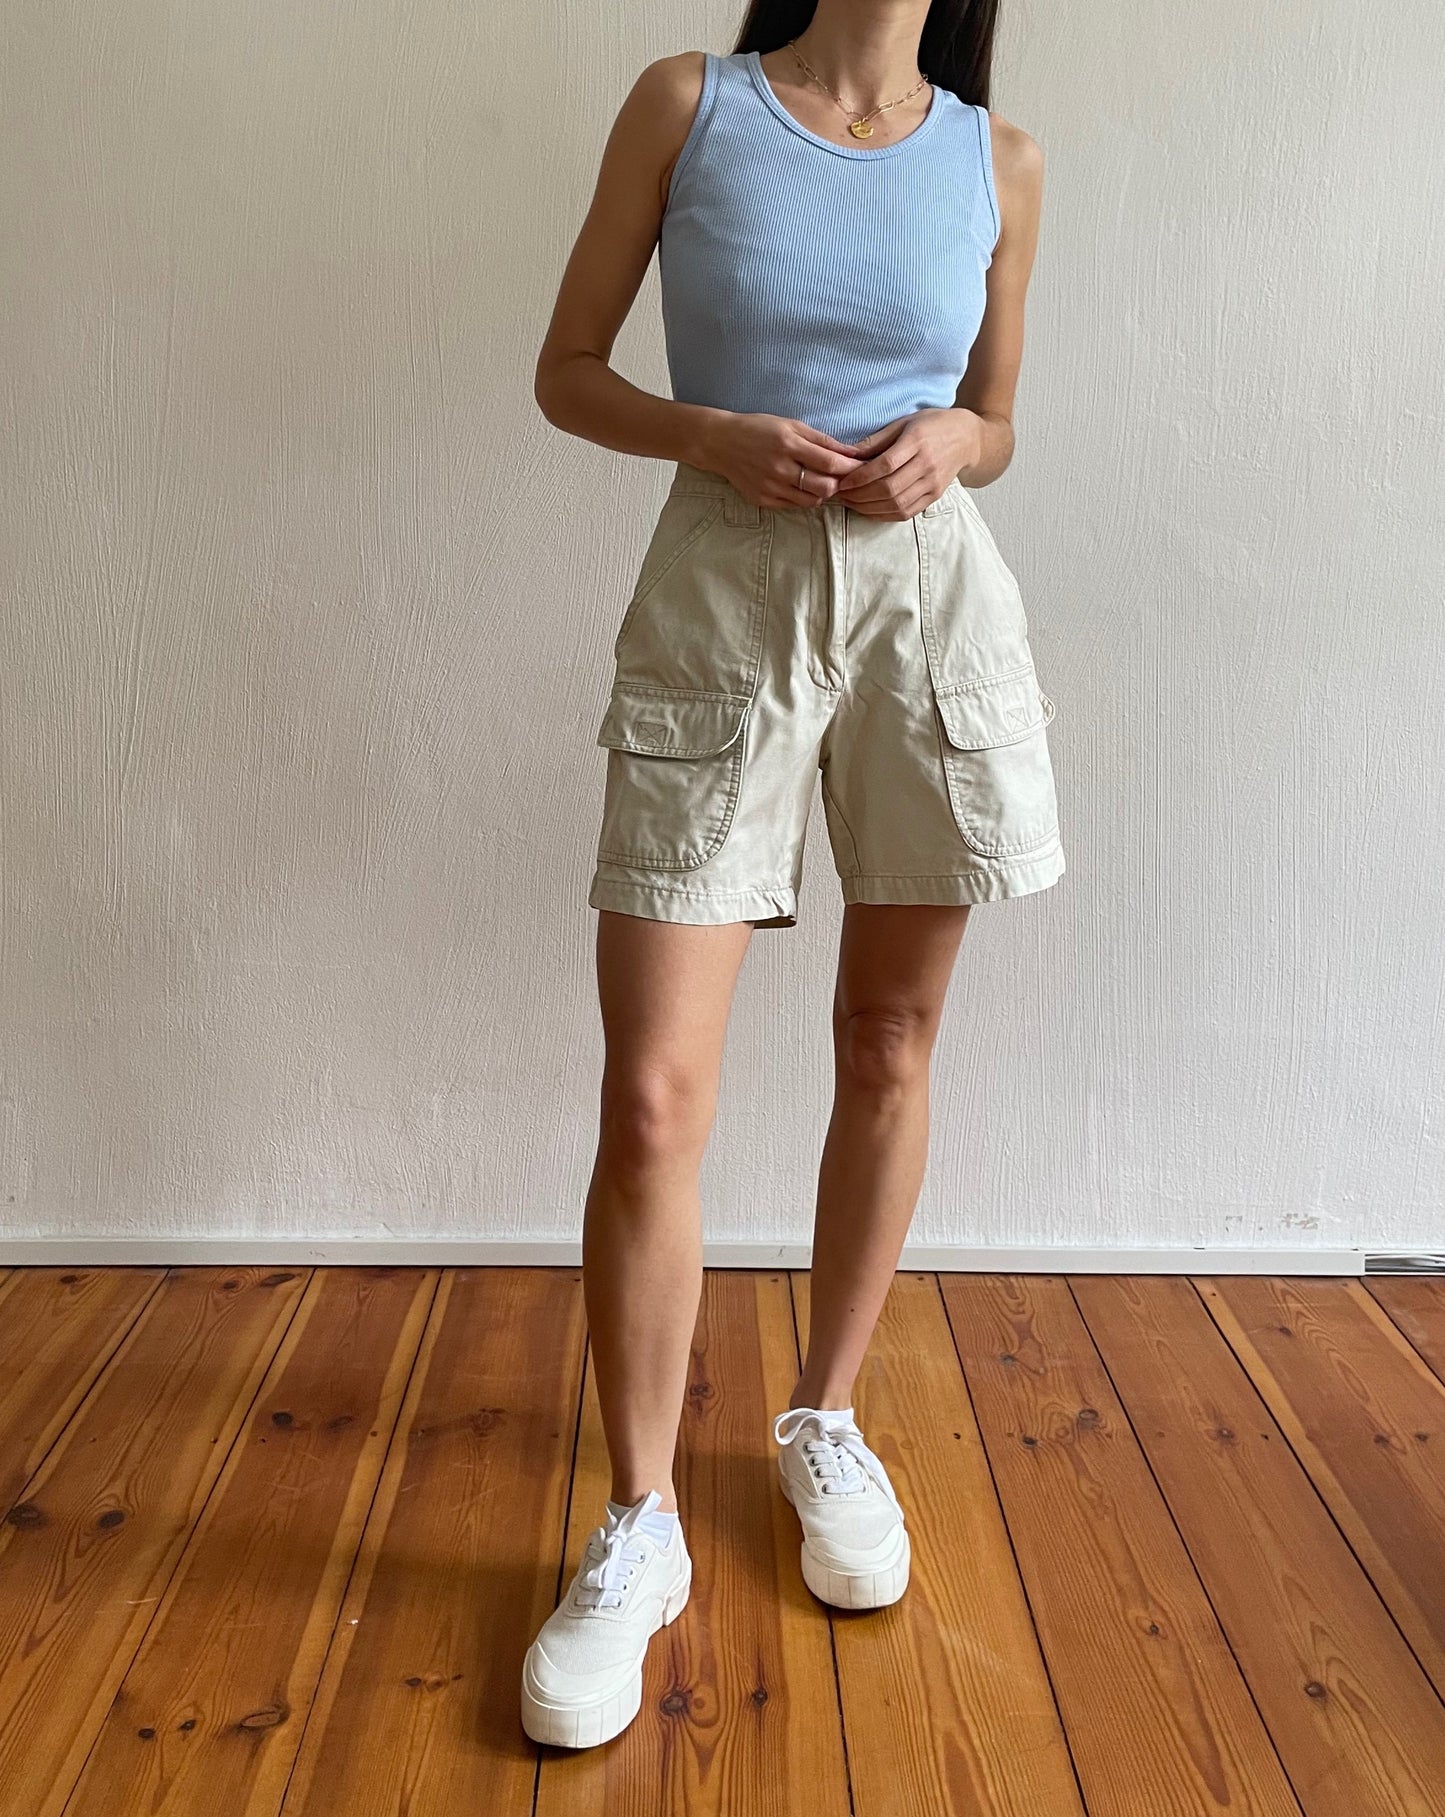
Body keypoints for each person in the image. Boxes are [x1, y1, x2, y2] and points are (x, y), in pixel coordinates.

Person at [523, 0, 1063, 1749]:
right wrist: (712, 434)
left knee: (889, 1038)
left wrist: (951, 447)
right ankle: (638, 1521)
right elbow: (567, 368)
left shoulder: (999, 158)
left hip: (929, 611)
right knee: (654, 1094)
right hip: (720, 588)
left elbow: (997, 417)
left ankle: (823, 1420)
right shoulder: (692, 104)